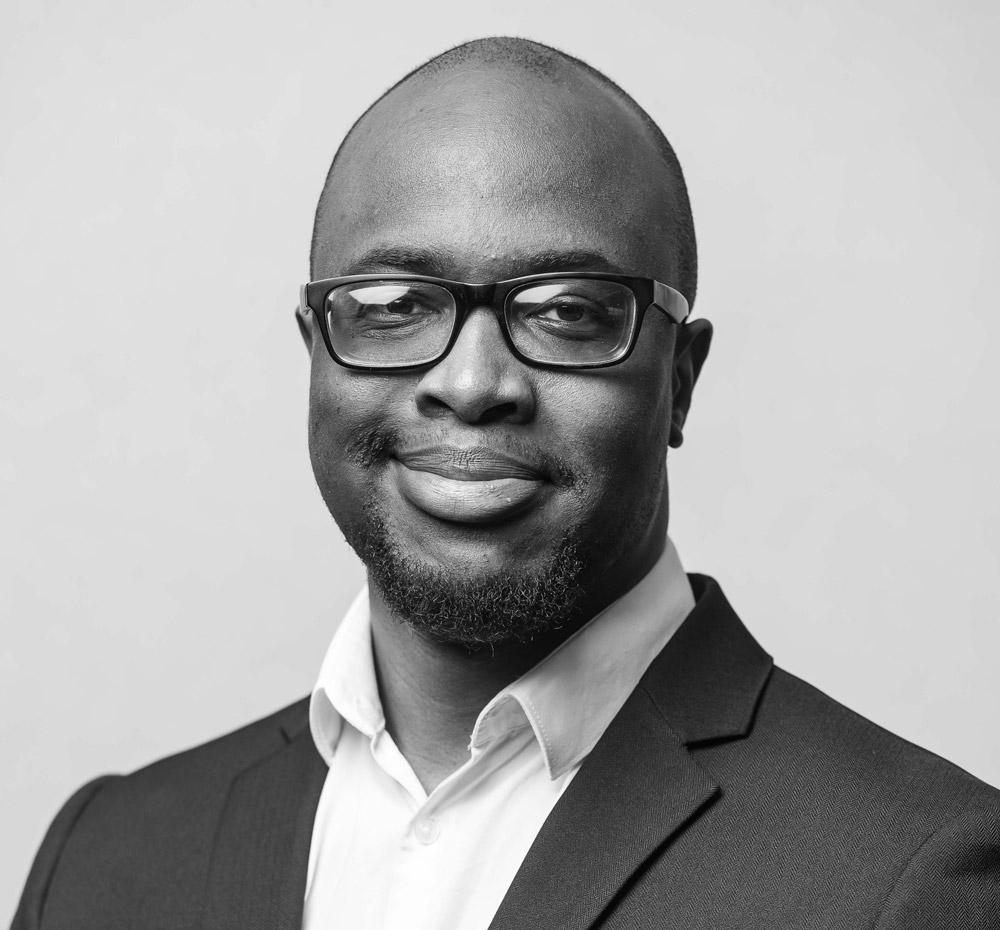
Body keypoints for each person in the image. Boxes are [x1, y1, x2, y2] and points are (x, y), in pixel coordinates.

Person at [13, 36, 1000, 930]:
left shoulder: (915, 879)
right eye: (394, 305)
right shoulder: (104, 860)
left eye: (567, 312)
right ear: (316, 353)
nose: (473, 384)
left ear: (679, 384)